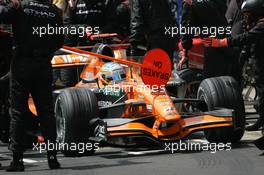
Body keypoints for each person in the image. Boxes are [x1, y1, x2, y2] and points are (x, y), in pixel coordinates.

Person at [0, 0, 64, 171]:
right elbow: (60, 40)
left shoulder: (20, 6)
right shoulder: (54, 11)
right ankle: (52, 158)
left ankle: (17, 160)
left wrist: (9, 5)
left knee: (18, 111)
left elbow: (2, 15)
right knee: (46, 112)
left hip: (22, 62)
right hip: (44, 63)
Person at [202, 0, 264, 131]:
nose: (245, 19)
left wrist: (222, 42)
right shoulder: (256, 25)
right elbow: (248, 44)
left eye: (247, 15)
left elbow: (245, 38)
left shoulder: (261, 26)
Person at [180, 0, 242, 84]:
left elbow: (186, 29)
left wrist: (185, 52)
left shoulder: (189, 2)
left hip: (213, 50)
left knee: (213, 88)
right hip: (230, 44)